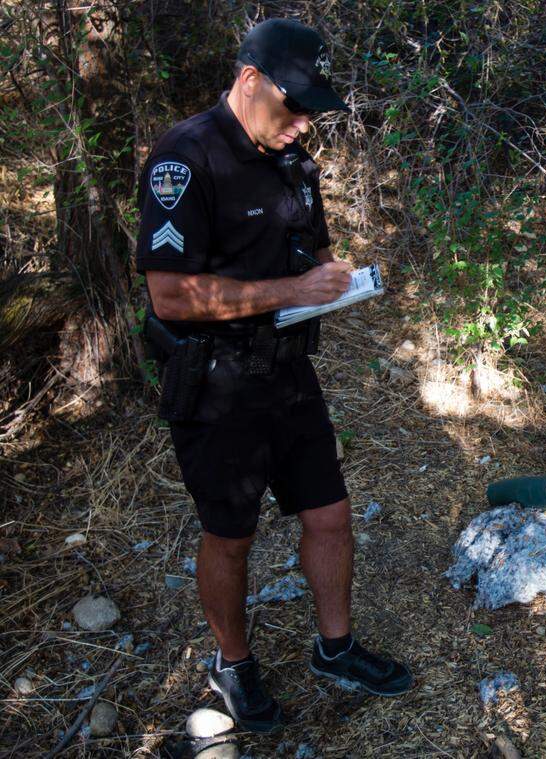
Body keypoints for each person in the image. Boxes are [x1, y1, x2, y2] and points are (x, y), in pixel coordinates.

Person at [135, 19, 412, 733]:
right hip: (219, 382)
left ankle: (336, 646)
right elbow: (169, 294)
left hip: (289, 372)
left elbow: (308, 251)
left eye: (312, 109)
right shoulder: (186, 158)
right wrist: (291, 294)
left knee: (330, 513)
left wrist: (330, 279)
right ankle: (234, 665)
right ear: (249, 80)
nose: (302, 122)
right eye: (293, 106)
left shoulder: (292, 158)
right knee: (230, 534)